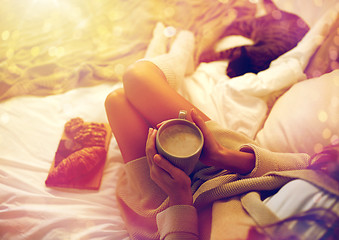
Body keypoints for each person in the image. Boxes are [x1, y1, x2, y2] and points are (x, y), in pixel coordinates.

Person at [105, 27, 339, 240]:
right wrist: (221, 154)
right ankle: (184, 43)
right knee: (137, 77)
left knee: (117, 101)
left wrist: (179, 197)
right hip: (231, 169)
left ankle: (182, 42)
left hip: (172, 210)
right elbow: (306, 165)